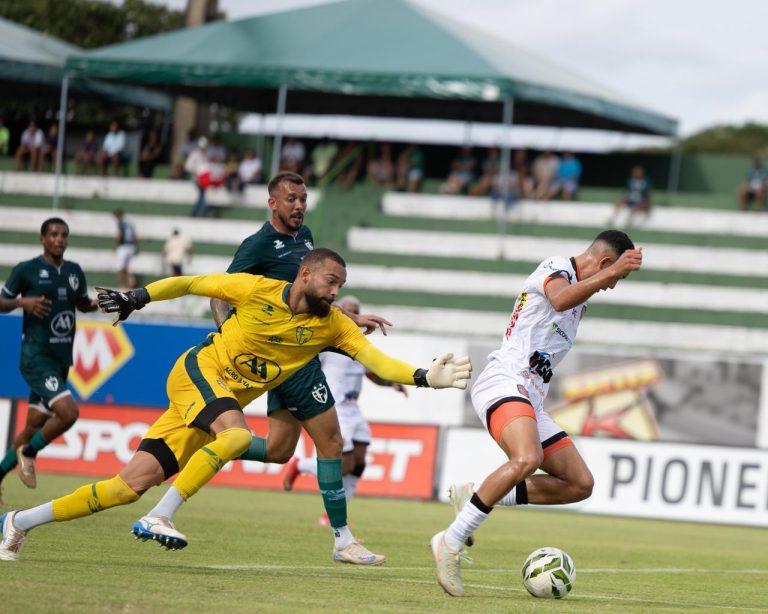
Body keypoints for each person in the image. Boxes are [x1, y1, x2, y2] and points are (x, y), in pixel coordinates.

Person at [0, 248, 471, 564]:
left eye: (340, 285)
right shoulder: (258, 290)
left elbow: (377, 359)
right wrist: (138, 295)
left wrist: (425, 377)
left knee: (125, 488)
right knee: (238, 434)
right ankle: (160, 515)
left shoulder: (333, 326)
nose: (334, 292)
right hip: (198, 373)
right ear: (305, 273)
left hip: (210, 402)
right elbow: (193, 282)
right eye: (330, 281)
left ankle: (18, 522)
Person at [430, 230, 642, 597]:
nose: (612, 286)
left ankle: (476, 494)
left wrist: (605, 278)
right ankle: (449, 541)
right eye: (616, 278)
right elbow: (558, 300)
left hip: (530, 397)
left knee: (579, 484)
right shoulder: (556, 268)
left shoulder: (583, 298)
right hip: (502, 380)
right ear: (605, 263)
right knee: (528, 457)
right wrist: (609, 275)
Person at [210, 172, 399, 559]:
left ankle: (213, 442)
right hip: (282, 356)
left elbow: (317, 301)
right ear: (272, 203)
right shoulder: (259, 244)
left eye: (303, 198)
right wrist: (229, 336)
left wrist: (351, 320)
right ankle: (343, 539)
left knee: (280, 450)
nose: (299, 206)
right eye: (291, 199)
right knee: (331, 442)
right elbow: (219, 293)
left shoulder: (307, 238)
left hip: (300, 351)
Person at [281, 295, 409, 526]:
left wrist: (391, 383)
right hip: (335, 407)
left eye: (355, 310)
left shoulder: (358, 345)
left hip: (353, 409)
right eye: (346, 310)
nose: (351, 314)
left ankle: (333, 514)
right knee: (345, 464)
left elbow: (370, 373)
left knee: (359, 462)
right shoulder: (328, 343)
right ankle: (300, 465)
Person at [0, 218, 98, 503]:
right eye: (54, 234)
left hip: (60, 361)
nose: (59, 239)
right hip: (36, 358)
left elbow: (81, 304)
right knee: (68, 413)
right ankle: (29, 453)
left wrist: (95, 304)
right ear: (42, 238)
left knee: (34, 424)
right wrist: (22, 303)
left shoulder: (73, 272)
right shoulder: (26, 270)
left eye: (64, 235)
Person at [113, 210, 139, 288]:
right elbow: (134, 235)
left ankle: (122, 285)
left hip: (123, 247)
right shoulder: (130, 223)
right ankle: (132, 283)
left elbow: (120, 235)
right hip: (131, 247)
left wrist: (115, 245)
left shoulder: (121, 223)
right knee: (129, 267)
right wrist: (136, 247)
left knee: (120, 267)